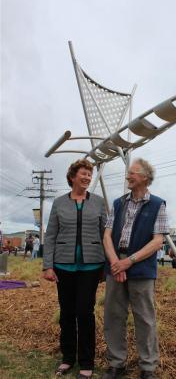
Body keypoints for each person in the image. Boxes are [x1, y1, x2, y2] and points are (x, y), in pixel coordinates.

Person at [102, 158, 169, 379]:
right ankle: (116, 363)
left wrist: (128, 261)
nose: (127, 176)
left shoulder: (158, 204)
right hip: (115, 264)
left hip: (140, 267)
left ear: (145, 178)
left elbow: (157, 241)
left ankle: (148, 367)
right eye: (128, 173)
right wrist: (115, 263)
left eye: (132, 173)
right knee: (113, 315)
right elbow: (107, 235)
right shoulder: (118, 202)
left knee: (145, 318)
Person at [43, 159, 107, 379]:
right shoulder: (59, 203)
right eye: (84, 173)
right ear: (72, 176)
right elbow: (50, 235)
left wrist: (107, 266)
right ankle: (68, 358)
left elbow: (105, 234)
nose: (88, 177)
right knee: (67, 313)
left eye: (90, 174)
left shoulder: (98, 202)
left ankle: (87, 362)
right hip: (63, 266)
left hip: (91, 266)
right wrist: (47, 266)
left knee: (85, 312)